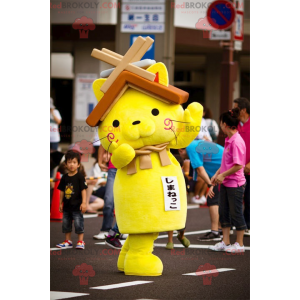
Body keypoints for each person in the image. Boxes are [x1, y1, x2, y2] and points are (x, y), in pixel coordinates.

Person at [209, 108, 247, 253]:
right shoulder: (229, 139)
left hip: (235, 183)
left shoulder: (236, 141)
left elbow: (239, 166)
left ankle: (240, 244)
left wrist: (223, 175)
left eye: (220, 123)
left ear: (225, 124)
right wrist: (217, 173)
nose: (220, 125)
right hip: (225, 182)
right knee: (224, 212)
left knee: (236, 212)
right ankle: (225, 241)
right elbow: (226, 162)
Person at [178, 140, 224, 241]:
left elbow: (200, 169)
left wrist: (209, 184)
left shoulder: (190, 148)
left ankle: (215, 232)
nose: (184, 159)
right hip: (223, 168)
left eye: (182, 158)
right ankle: (220, 229)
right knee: (220, 200)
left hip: (223, 169)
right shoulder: (194, 144)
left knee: (213, 199)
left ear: (180, 150)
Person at [93, 145, 127, 249]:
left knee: (126, 201)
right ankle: (105, 230)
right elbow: (103, 144)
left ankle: (120, 231)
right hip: (113, 168)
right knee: (109, 200)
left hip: (130, 167)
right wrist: (99, 161)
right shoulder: (114, 128)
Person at [56, 150, 87, 250]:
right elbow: (61, 191)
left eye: (74, 162)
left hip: (77, 206)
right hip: (67, 206)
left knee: (79, 224)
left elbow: (83, 190)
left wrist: (84, 202)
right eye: (69, 162)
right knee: (66, 224)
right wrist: (60, 203)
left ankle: (80, 241)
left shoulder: (80, 177)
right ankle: (68, 241)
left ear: (78, 164)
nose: (72, 164)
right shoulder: (64, 177)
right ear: (65, 164)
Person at [233, 97, 250, 236]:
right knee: (237, 197)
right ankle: (238, 224)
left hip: (250, 168)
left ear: (243, 110)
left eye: (236, 108)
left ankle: (249, 224)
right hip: (237, 168)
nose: (234, 111)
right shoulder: (235, 124)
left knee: (250, 197)